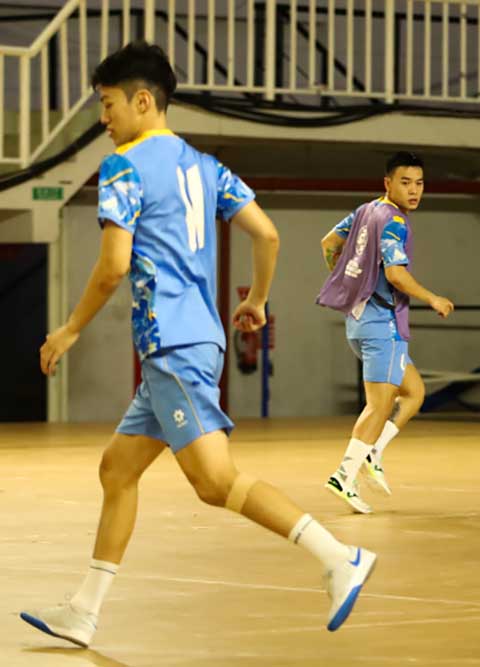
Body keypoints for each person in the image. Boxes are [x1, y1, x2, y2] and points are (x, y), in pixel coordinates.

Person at [20, 42, 375, 648]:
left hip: (173, 346)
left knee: (214, 483)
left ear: (141, 101)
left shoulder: (124, 166)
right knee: (117, 469)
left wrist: (70, 329)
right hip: (195, 341)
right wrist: (257, 300)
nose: (102, 119)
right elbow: (267, 233)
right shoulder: (205, 167)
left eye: (107, 105)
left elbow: (112, 267)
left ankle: (338, 556)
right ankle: (85, 609)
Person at [317, 152, 453, 513]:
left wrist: (349, 279)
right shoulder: (394, 221)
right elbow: (395, 274)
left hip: (358, 320)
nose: (414, 190)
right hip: (382, 324)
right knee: (378, 405)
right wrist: (432, 297)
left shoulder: (365, 212)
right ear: (387, 184)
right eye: (405, 182)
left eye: (419, 183)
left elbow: (329, 243)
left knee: (414, 392)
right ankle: (344, 476)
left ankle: (372, 452)